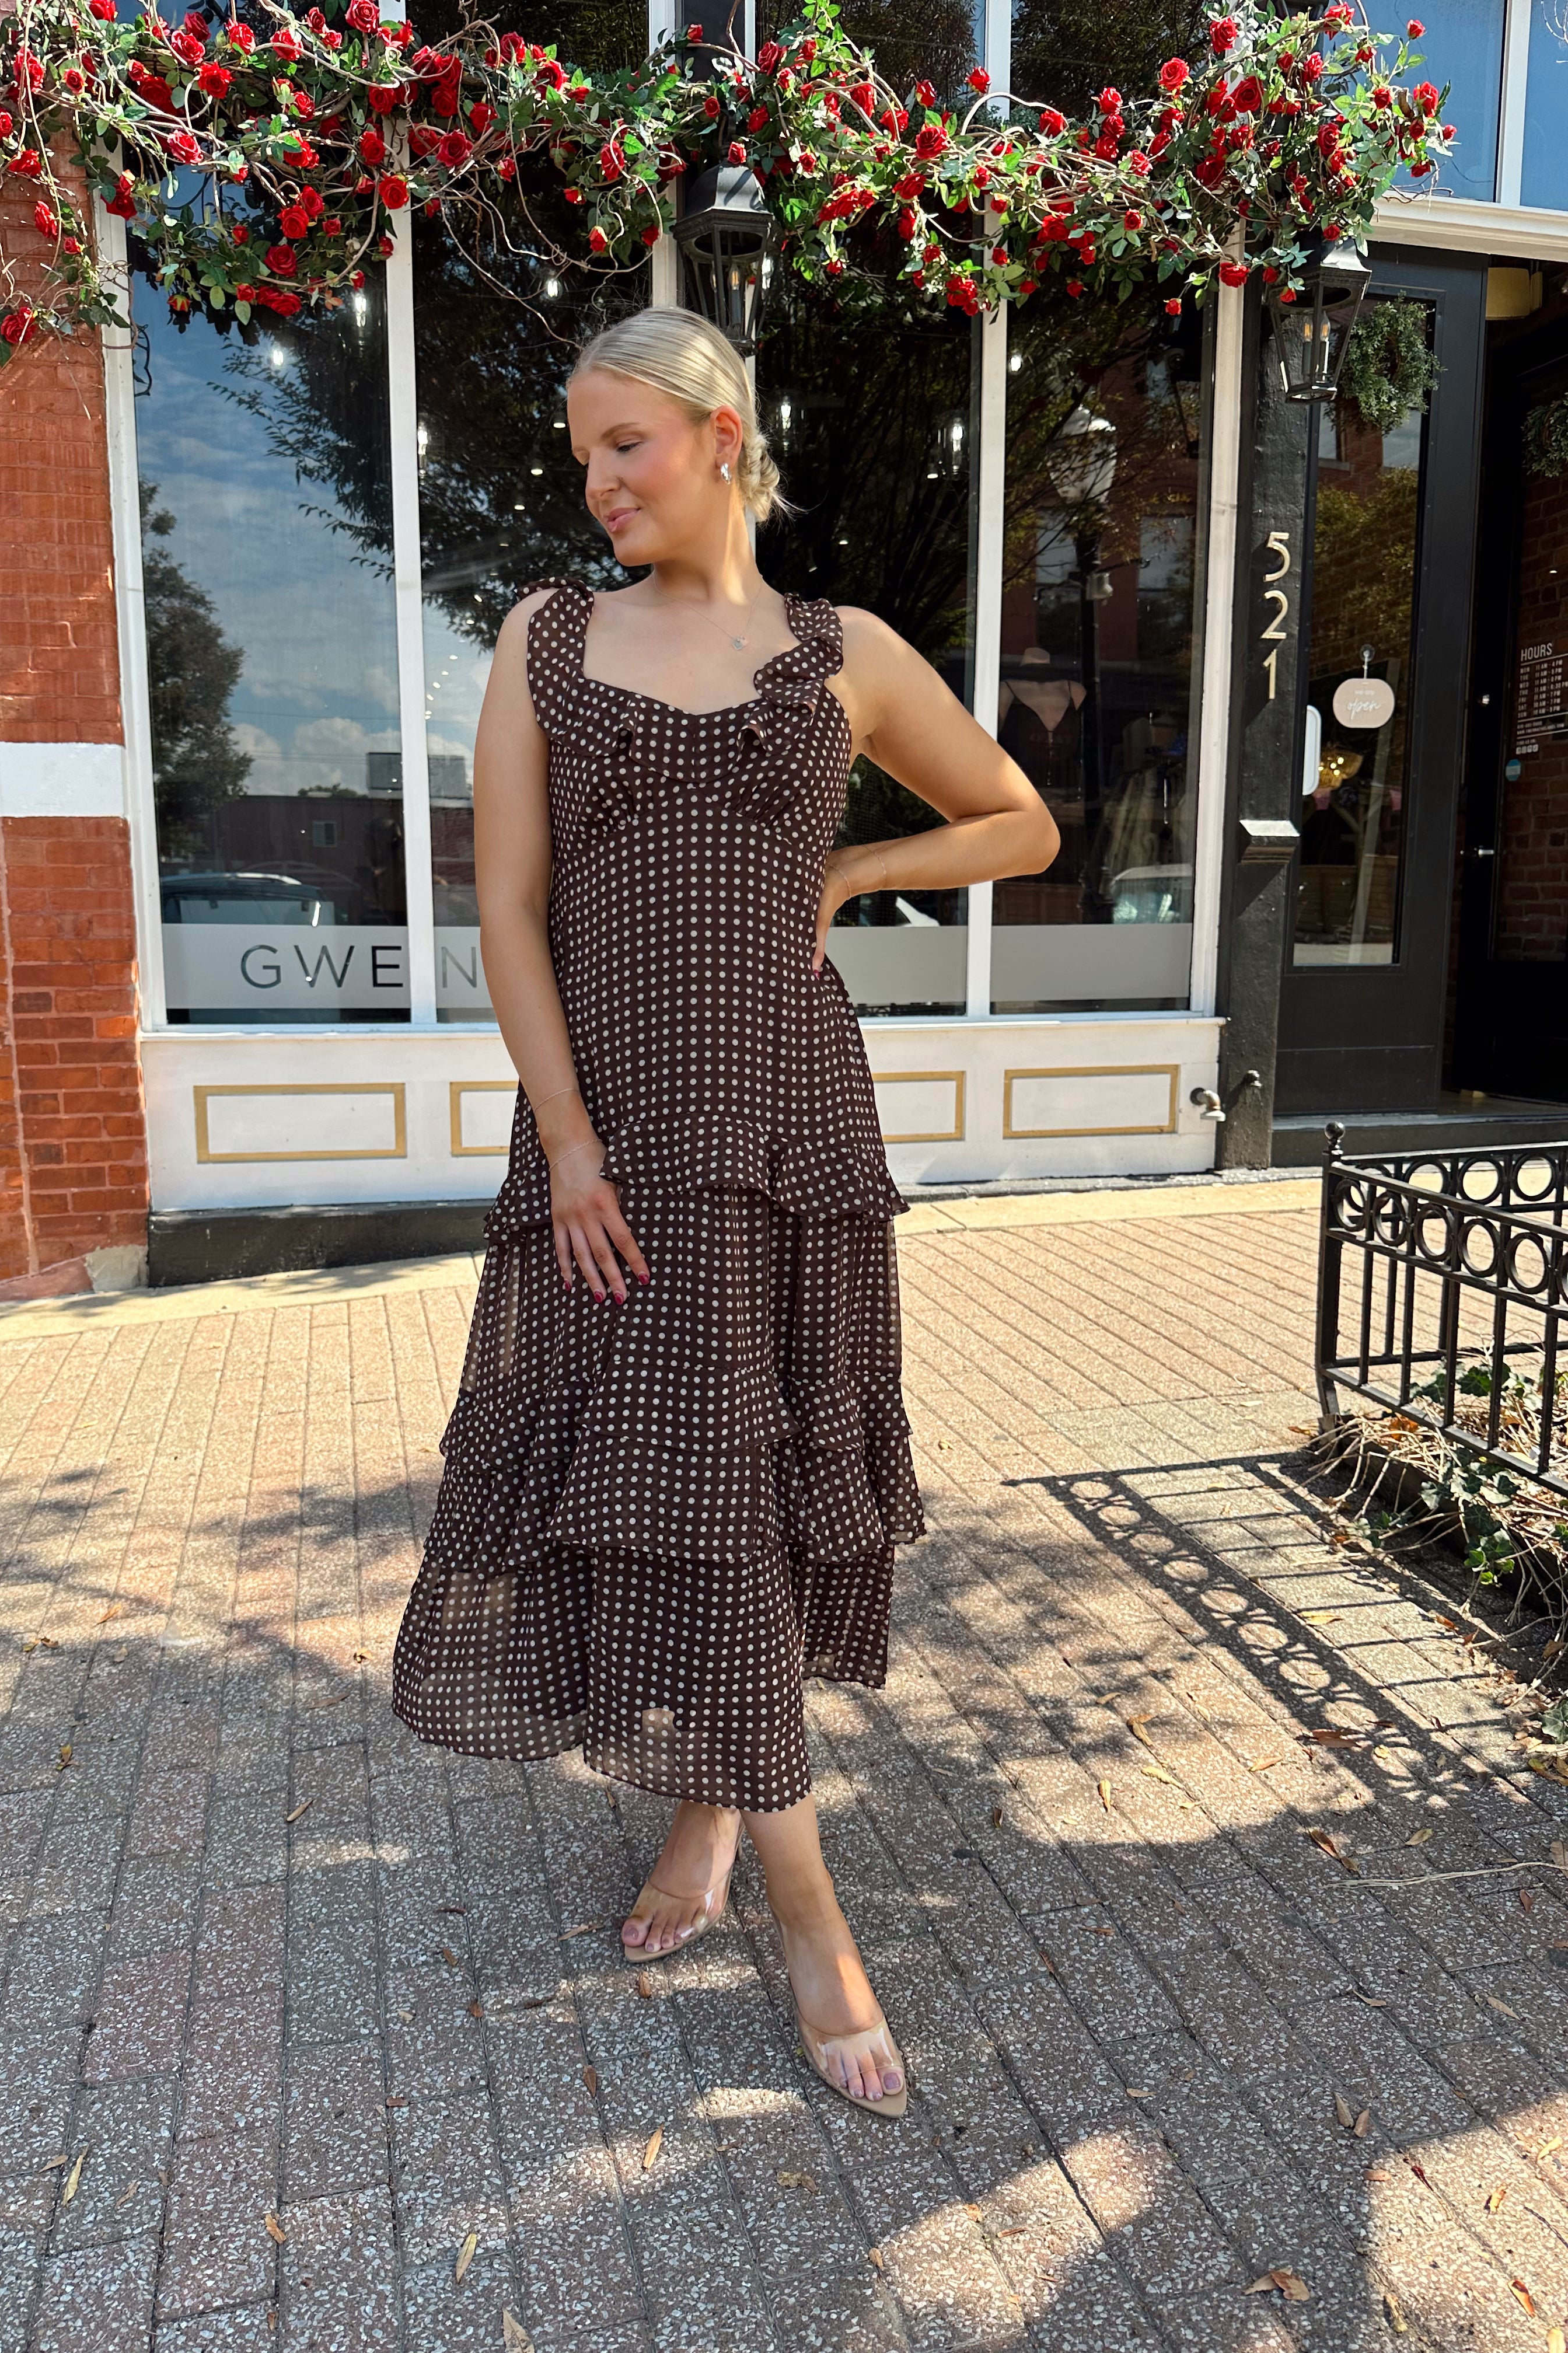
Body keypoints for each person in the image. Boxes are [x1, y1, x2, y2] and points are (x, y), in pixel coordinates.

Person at [389, 309, 1057, 2117]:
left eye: (628, 444)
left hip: (788, 1130)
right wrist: (573, 1144)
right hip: (618, 1151)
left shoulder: (839, 653)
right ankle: (809, 1905)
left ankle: (715, 1835)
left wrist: (852, 858)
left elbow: (1020, 824)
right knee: (687, 1468)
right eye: (582, 453)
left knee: (743, 1482)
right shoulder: (549, 638)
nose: (597, 482)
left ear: (721, 433)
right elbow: (508, 916)